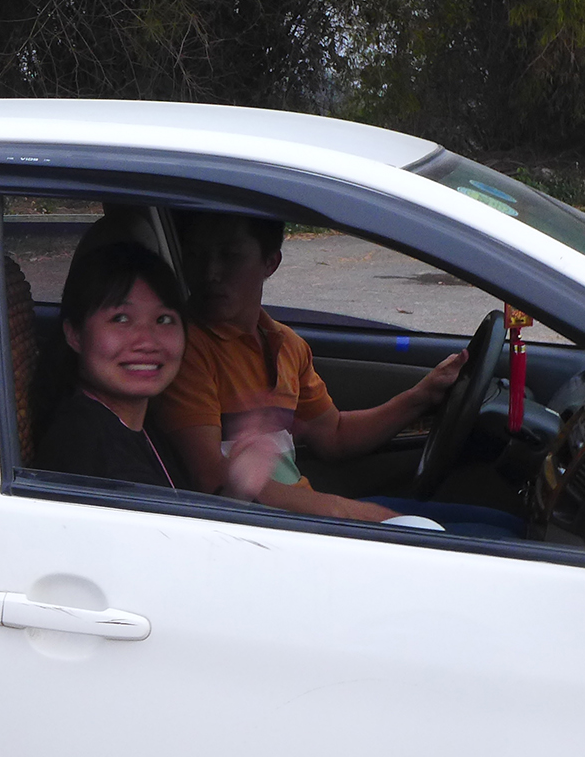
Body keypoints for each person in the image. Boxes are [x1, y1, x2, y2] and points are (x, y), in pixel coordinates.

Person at [157, 212, 524, 536]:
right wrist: (344, 511)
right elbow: (212, 480)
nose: (209, 273)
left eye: (229, 256)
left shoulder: (286, 345)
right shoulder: (187, 350)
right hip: (270, 530)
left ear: (271, 262)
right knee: (498, 543)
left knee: (508, 524)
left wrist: (421, 396)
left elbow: (333, 435)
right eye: (196, 255)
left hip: (303, 511)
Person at [38, 243, 190, 489]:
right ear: (75, 334)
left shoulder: (138, 424)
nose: (147, 342)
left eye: (163, 319)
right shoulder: (86, 452)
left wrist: (240, 485)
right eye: (121, 319)